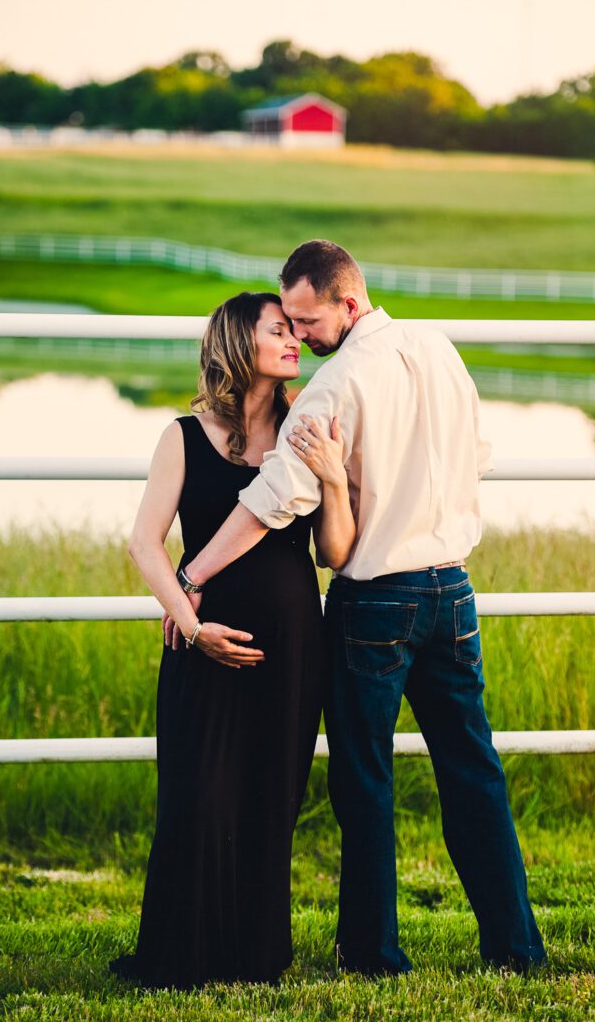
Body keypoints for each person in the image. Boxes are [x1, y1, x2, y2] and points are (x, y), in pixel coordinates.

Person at [168, 240, 547, 977]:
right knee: (473, 769)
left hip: (376, 600)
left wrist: (194, 571)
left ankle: (372, 953)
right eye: (290, 323)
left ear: (347, 302)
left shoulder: (333, 386)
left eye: (308, 321)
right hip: (452, 590)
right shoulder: (439, 349)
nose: (300, 335)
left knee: (364, 779)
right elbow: (478, 456)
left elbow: (273, 501)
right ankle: (515, 946)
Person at [109, 291, 355, 991]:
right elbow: (144, 542)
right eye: (277, 330)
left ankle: (255, 956)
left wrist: (335, 481)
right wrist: (191, 626)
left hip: (291, 645)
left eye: (294, 329)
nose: (293, 339)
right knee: (199, 795)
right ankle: (182, 954)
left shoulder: (306, 427)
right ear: (237, 343)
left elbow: (333, 553)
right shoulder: (184, 435)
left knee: (270, 798)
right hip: (203, 641)